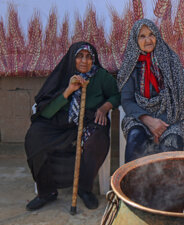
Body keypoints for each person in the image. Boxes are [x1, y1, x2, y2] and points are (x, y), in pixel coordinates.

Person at [25, 42, 121, 211]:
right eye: (79, 56)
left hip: (89, 121)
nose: (84, 61)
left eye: (89, 57)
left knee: (96, 140)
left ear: (94, 59)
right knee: (35, 136)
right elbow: (46, 112)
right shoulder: (63, 75)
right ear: (72, 59)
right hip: (60, 122)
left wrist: (104, 107)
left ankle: (85, 189)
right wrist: (69, 90)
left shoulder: (101, 76)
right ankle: (46, 192)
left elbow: (116, 95)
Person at [117, 19, 184, 163]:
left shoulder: (170, 60)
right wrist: (148, 120)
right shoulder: (130, 65)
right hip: (139, 118)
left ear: (157, 36)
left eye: (151, 34)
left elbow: (182, 98)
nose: (148, 39)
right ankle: (134, 184)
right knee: (135, 141)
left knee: (172, 148)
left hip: (171, 119)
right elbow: (127, 101)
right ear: (135, 40)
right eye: (142, 36)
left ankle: (168, 186)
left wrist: (161, 124)